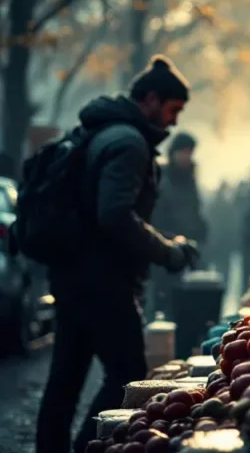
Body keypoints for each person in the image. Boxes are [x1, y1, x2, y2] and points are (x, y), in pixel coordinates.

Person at [36, 56, 200, 453]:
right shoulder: (128, 142)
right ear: (151, 99)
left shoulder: (101, 133)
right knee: (126, 373)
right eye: (173, 110)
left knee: (65, 379)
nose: (174, 121)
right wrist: (169, 252)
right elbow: (114, 215)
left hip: (73, 273)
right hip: (103, 279)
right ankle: (87, 448)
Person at [149, 132, 208, 318]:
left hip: (187, 247)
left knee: (185, 301)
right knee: (163, 298)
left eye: (189, 152)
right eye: (182, 151)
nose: (186, 156)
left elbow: (194, 209)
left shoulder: (190, 178)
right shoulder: (161, 176)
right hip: (163, 245)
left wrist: (200, 228)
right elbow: (156, 213)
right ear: (173, 152)